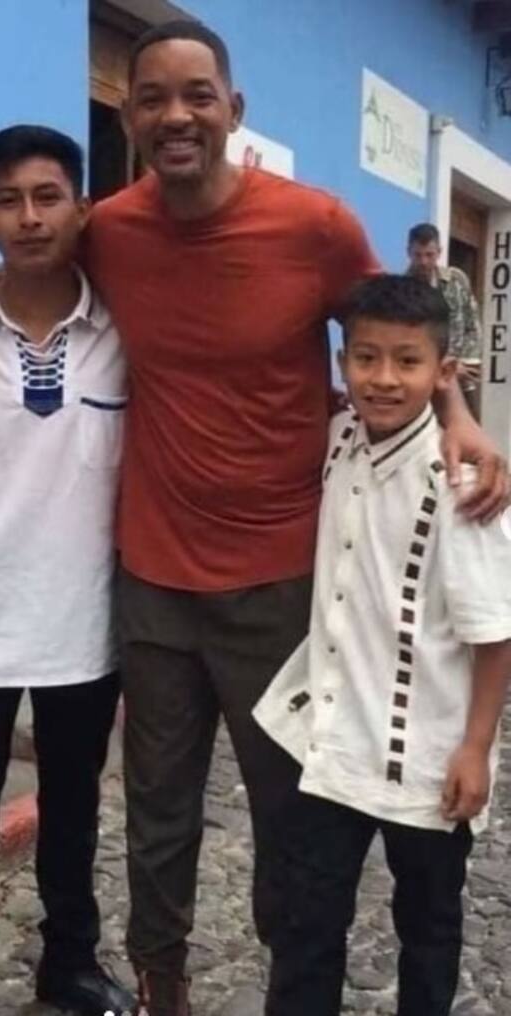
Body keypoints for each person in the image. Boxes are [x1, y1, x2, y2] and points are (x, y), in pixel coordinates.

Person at [84, 19, 508, 1016]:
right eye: (153, 98)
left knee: (290, 819)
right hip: (152, 572)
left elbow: (394, 331)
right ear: (129, 115)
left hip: (280, 583)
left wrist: (457, 415)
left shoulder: (313, 227)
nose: (176, 115)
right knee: (155, 809)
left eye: (198, 95)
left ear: (233, 109)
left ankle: (294, 980)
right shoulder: (108, 231)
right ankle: (160, 982)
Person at [254, 273, 511, 1016]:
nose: (385, 378)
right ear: (343, 364)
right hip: (332, 744)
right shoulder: (340, 438)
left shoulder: (463, 485)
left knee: (428, 926)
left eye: (407, 361)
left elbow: (495, 633)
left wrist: (475, 748)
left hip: (428, 755)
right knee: (307, 923)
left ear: (441, 371)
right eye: (366, 358)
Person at [0, 126, 135, 1016]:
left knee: (73, 812)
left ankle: (70, 965)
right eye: (9, 201)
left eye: (48, 197)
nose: (30, 217)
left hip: (83, 619)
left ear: (82, 208)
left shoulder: (123, 323)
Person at [407, 222, 483, 416]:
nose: (424, 261)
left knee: (469, 426)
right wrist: (442, 367)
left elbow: (472, 324)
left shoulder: (456, 280)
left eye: (429, 255)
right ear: (409, 253)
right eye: (418, 255)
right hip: (423, 379)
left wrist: (466, 364)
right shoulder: (403, 290)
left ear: (439, 252)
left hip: (461, 377)